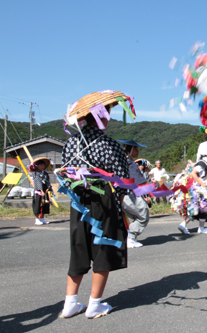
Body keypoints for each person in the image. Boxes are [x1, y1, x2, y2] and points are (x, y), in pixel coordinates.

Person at [59, 91, 132, 319]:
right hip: (103, 200)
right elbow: (121, 182)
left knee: (79, 247)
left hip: (78, 202)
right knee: (103, 247)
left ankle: (70, 303)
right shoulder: (109, 144)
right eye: (108, 112)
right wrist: (123, 212)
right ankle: (94, 304)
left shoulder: (70, 143)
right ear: (103, 116)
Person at [177, 140, 207, 235]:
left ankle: (198, 227)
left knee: (199, 209)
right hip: (199, 190)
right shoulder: (202, 163)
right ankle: (188, 225)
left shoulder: (204, 163)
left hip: (199, 189)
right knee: (202, 208)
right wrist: (202, 183)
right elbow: (193, 173)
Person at [117, 139, 151, 249]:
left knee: (132, 217)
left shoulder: (121, 161)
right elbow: (140, 182)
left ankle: (129, 237)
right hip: (129, 195)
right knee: (143, 215)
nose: (138, 151)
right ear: (130, 150)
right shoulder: (130, 163)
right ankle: (130, 238)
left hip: (121, 194)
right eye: (136, 149)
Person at [30, 157, 53, 225]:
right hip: (38, 191)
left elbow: (48, 181)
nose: (43, 166)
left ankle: (42, 218)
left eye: (43, 165)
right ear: (38, 165)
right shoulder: (35, 173)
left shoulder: (45, 173)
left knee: (45, 205)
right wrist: (41, 190)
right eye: (41, 165)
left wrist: (48, 188)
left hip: (45, 190)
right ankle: (36, 219)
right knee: (37, 205)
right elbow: (38, 181)